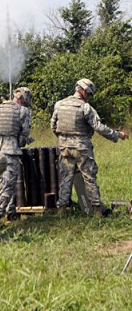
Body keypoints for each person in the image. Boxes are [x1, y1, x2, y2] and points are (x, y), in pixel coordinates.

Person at [51, 78, 128, 216]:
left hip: (64, 147)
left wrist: (64, 139)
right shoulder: (85, 107)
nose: (90, 97)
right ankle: (97, 210)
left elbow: (53, 126)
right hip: (82, 148)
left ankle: (61, 210)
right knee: (89, 178)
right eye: (90, 94)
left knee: (66, 178)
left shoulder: (59, 104)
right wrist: (117, 135)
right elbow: (99, 127)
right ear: (84, 91)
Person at [0, 87, 33, 220]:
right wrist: (21, 142)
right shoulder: (23, 111)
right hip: (11, 152)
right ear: (23, 98)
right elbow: (24, 133)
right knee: (9, 184)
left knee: (1, 182)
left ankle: (10, 210)